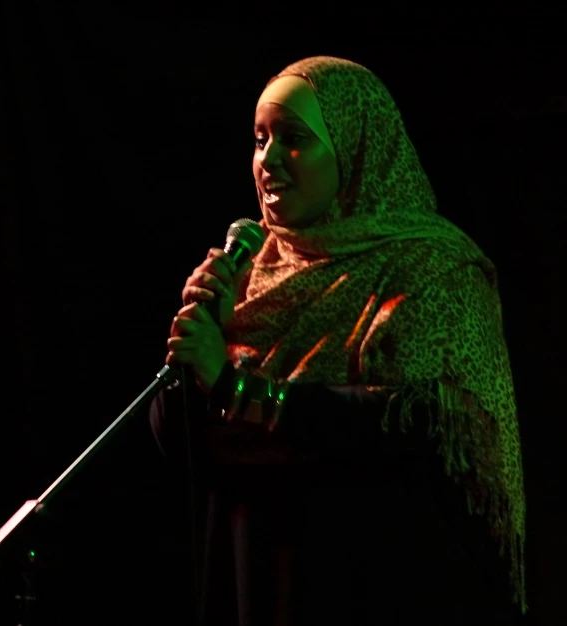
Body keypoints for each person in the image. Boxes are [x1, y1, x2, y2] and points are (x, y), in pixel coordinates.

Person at [149, 55, 527, 625]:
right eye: (259, 140)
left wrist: (235, 387)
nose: (268, 161)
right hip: (256, 579)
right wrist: (212, 335)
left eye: (293, 139)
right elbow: (178, 441)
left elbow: (419, 427)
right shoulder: (250, 275)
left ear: (356, 149)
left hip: (376, 584)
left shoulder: (433, 269)